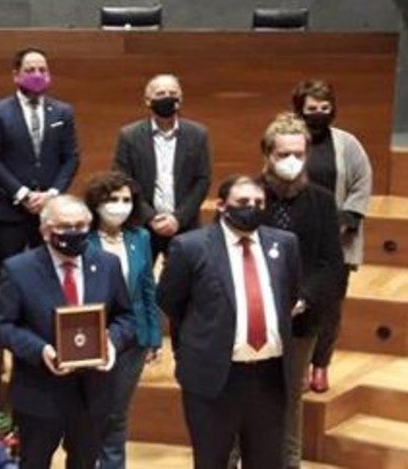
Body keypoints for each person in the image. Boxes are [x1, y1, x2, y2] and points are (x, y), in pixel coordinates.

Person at [156, 176, 302, 469]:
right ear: (222, 206)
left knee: (267, 461)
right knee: (212, 461)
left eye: (259, 203)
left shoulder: (285, 243)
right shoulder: (190, 246)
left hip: (270, 376)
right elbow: (170, 300)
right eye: (243, 203)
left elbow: (288, 294)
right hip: (215, 377)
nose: (253, 208)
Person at [0, 195, 136, 469]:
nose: (75, 233)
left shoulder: (107, 264)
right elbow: (0, 325)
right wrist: (40, 350)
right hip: (40, 391)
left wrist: (111, 343)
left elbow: (126, 318)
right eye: (66, 227)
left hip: (92, 392)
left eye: (81, 226)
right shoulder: (19, 269)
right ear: (46, 231)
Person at [259, 112, 344, 468]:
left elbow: (331, 264)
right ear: (267, 155)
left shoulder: (322, 201)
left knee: (290, 397)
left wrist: (303, 297)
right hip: (252, 317)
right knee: (243, 398)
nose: (291, 161)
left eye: (298, 154)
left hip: (300, 320)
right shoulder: (248, 194)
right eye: (283, 154)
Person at [290, 80, 373, 393]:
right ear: (300, 110)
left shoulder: (347, 143)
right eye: (312, 109)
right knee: (295, 304)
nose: (319, 114)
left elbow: (362, 181)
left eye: (325, 109)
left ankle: (321, 364)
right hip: (296, 239)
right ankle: (295, 364)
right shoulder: (291, 142)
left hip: (337, 240)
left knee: (329, 307)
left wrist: (347, 219)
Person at [82, 171, 162, 469]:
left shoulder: (139, 237)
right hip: (92, 337)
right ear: (96, 204)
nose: (120, 205)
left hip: (134, 339)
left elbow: (146, 288)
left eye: (126, 199)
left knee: (117, 413)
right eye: (112, 199)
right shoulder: (84, 238)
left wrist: (154, 337)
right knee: (91, 411)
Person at [0, 47, 81, 277]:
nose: (37, 74)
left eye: (42, 70)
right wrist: (24, 194)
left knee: (50, 275)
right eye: (30, 69)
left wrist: (52, 194)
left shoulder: (62, 112)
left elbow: (71, 158)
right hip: (10, 211)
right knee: (6, 277)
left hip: (51, 212)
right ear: (16, 75)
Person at [113, 74, 212, 261]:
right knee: (138, 283)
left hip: (185, 225)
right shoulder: (129, 135)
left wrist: (178, 218)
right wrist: (151, 217)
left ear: (180, 99)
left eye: (172, 92)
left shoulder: (198, 134)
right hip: (142, 225)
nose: (167, 96)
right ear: (148, 100)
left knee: (187, 285)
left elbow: (202, 180)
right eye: (160, 93)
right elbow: (123, 180)